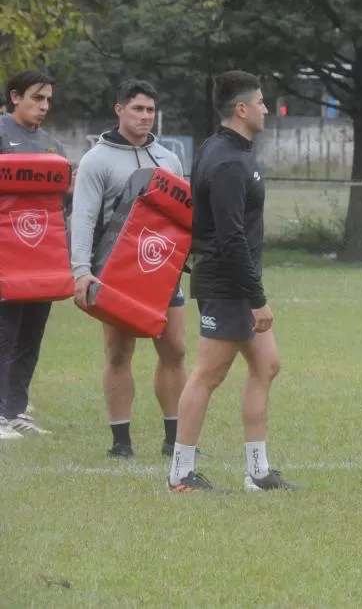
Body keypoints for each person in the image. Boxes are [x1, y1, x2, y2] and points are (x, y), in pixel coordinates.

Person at [167, 70, 298, 493]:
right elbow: (230, 236)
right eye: (260, 102)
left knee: (266, 364)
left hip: (236, 282)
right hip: (227, 285)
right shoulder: (225, 160)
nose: (266, 109)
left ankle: (258, 472)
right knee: (208, 373)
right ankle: (181, 474)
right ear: (241, 109)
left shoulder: (230, 149)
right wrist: (256, 297)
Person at [71, 80, 187, 458]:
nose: (145, 117)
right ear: (119, 109)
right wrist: (81, 271)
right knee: (119, 354)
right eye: (137, 109)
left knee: (174, 351)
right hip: (117, 274)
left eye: (150, 110)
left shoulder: (169, 159)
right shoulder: (96, 160)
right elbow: (84, 219)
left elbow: (184, 219)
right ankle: (121, 444)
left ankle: (174, 441)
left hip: (162, 273)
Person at [0, 70, 67, 439]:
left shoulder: (52, 146)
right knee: (3, 334)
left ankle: (15, 410)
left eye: (47, 101)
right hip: (5, 258)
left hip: (40, 258)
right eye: (36, 99)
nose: (43, 107)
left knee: (30, 336)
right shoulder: (0, 134)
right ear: (15, 97)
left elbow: (59, 209)